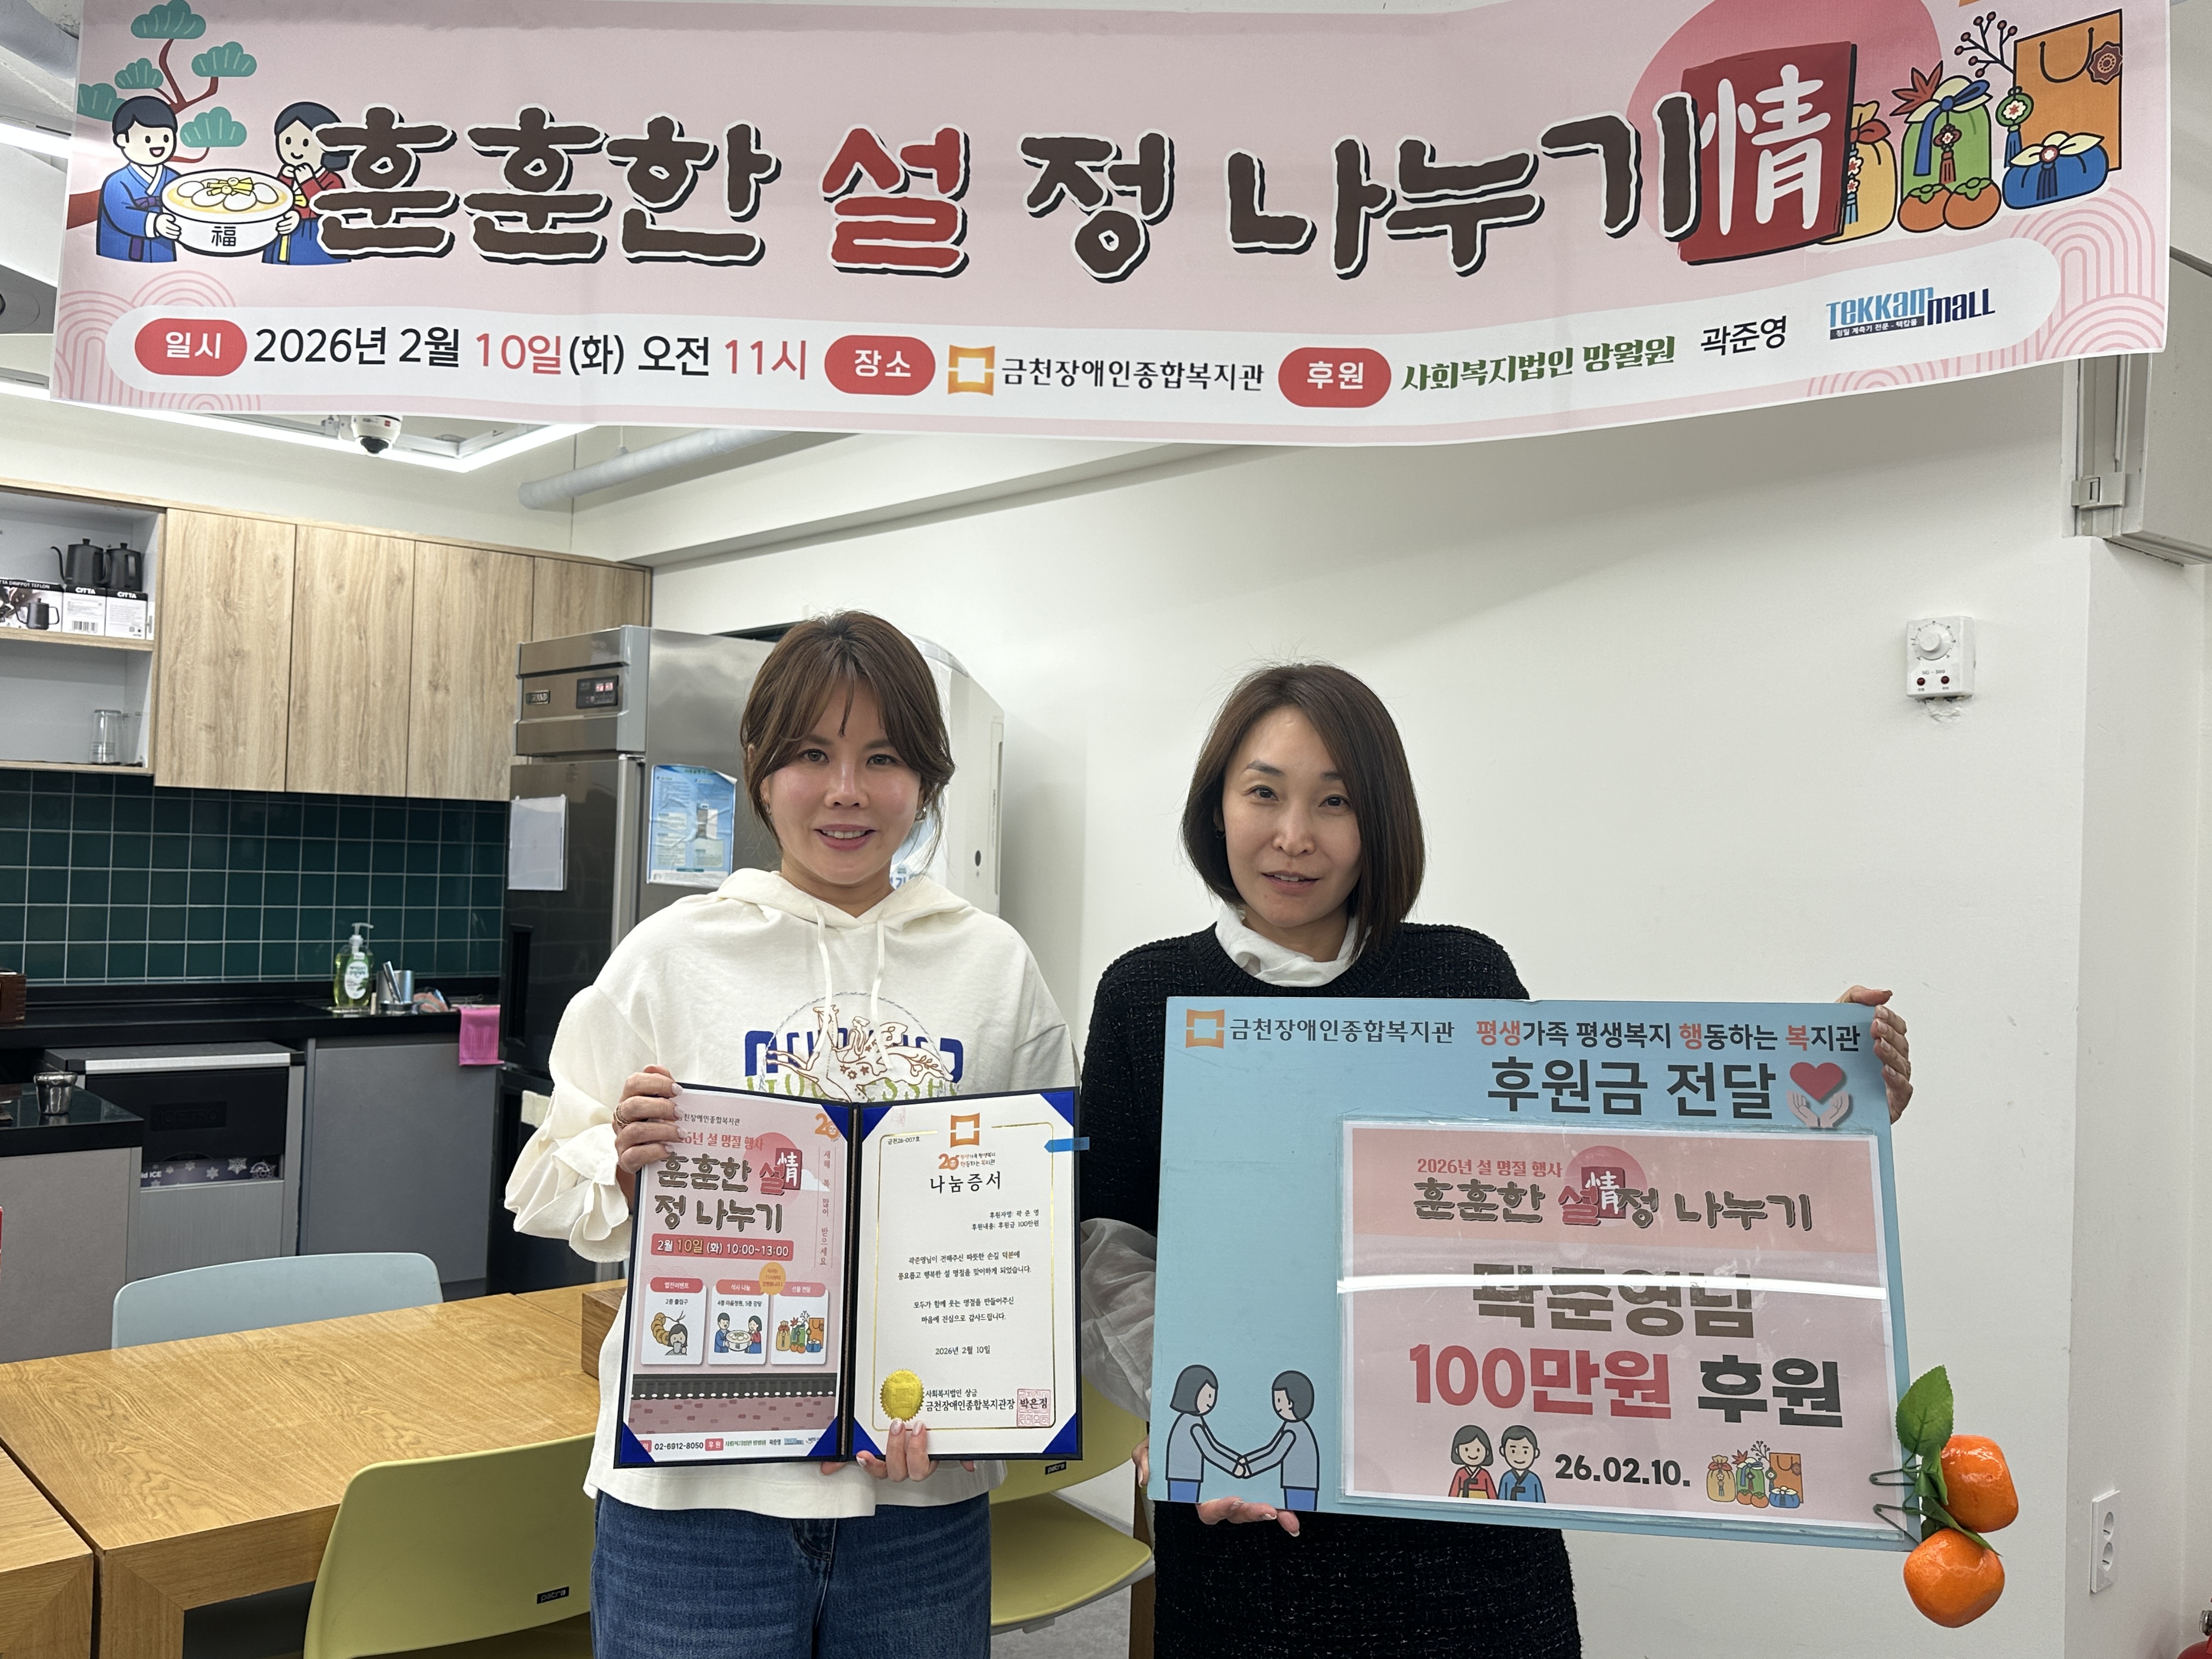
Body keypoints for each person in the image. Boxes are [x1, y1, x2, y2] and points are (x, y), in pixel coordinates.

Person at [1077, 662, 1915, 1659]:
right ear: (1215, 806)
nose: (1294, 834)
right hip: (1250, 1517)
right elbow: (1111, 1251)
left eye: (1335, 801)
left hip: (1471, 1526)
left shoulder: (1461, 974)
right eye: (1263, 792)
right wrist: (1205, 1416)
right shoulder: (1148, 994)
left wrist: (1826, 1115)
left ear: (1380, 821)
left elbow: (1586, 1208)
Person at [507, 611, 1075, 1659]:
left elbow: (1042, 1218)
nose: (846, 789)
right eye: (812, 753)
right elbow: (543, 1177)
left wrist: (984, 1396)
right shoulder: (672, 954)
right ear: (761, 772)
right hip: (695, 1500)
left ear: (927, 780)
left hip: (920, 1496)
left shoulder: (994, 968)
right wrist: (620, 1163)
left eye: (883, 757)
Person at [263, 101, 352, 266]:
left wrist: (307, 182)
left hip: (316, 239)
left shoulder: (332, 179)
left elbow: (329, 208)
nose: (295, 151)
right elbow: (274, 202)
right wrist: (284, 180)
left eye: (306, 143)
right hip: (284, 238)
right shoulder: (287, 175)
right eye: (288, 141)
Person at [97, 97, 183, 262]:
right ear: (123, 140)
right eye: (147, 139)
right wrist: (155, 223)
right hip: (122, 254)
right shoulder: (116, 182)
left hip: (162, 251)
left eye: (166, 138)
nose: (158, 146)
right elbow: (121, 215)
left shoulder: (174, 180)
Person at [1235, 1370, 1319, 1511]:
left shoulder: (1294, 1429)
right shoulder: (1291, 1425)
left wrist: (1249, 1469)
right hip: (1297, 1483)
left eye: (1279, 1400)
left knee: (1302, 1509)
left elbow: (1275, 1456)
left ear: (1291, 1403)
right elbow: (1271, 1448)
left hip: (1301, 1484)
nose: (1276, 1405)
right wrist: (1247, 1459)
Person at [1161, 1364, 1242, 1502]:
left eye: (1212, 1396)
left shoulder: (1193, 1419)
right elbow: (1210, 1451)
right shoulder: (1192, 1422)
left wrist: (1236, 1458)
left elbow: (1214, 1444)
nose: (1211, 1402)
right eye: (1208, 1396)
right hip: (1184, 1476)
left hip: (1185, 1475)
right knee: (1182, 1503)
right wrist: (1234, 1467)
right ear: (1192, 1393)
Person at [1496, 1426, 1545, 1503]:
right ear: (1503, 1451)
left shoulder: (1534, 1479)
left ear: (1536, 1453)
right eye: (1513, 1451)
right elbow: (1500, 1502)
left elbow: (1541, 1503)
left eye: (1525, 1452)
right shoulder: (1506, 1478)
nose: (1519, 1456)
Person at [1448, 1425, 1497, 1500]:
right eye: (1466, 1449)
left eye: (1478, 1450)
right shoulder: (1461, 1473)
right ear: (1457, 1451)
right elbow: (1453, 1494)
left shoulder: (1484, 1474)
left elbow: (1492, 1495)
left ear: (1487, 1452)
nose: (1473, 1454)